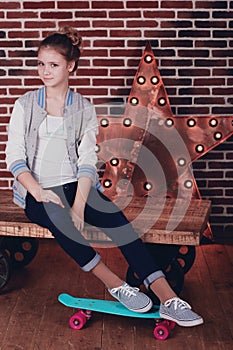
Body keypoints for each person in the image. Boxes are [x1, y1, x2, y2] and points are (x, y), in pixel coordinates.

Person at [6, 26, 203, 327]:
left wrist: (80, 205)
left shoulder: (83, 108)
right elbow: (15, 158)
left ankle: (167, 298)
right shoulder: (25, 105)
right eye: (41, 64)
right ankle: (116, 285)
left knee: (116, 219)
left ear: (70, 66)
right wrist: (37, 190)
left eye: (53, 65)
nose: (44, 71)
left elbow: (86, 162)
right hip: (36, 191)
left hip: (76, 187)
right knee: (60, 221)